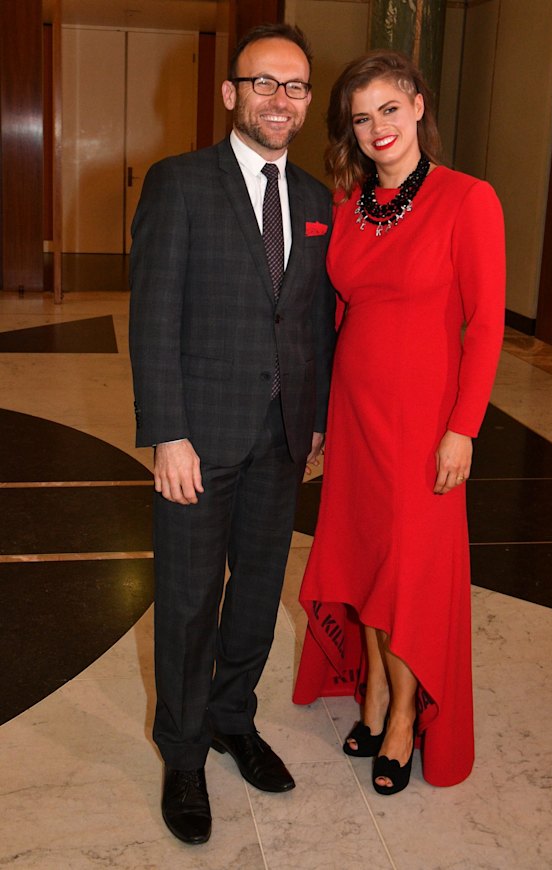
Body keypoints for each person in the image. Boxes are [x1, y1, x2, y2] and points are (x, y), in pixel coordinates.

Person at [129, 23, 336, 844]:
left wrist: (314, 419)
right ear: (231, 93)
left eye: (294, 87)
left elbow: (312, 319)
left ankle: (231, 720)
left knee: (254, 594)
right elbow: (153, 318)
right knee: (185, 602)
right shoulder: (179, 184)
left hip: (281, 438)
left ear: (308, 102)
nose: (279, 100)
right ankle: (182, 753)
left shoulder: (317, 200)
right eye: (263, 83)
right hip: (199, 437)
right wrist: (167, 434)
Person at [293, 50, 506, 795]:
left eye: (389, 108)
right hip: (356, 418)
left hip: (425, 423)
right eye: (361, 117)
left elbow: (484, 328)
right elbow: (342, 316)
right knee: (366, 561)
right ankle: (378, 688)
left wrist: (464, 428)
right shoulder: (349, 208)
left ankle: (408, 714)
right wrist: (320, 416)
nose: (377, 127)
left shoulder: (467, 199)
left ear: (417, 105)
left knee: (412, 572)